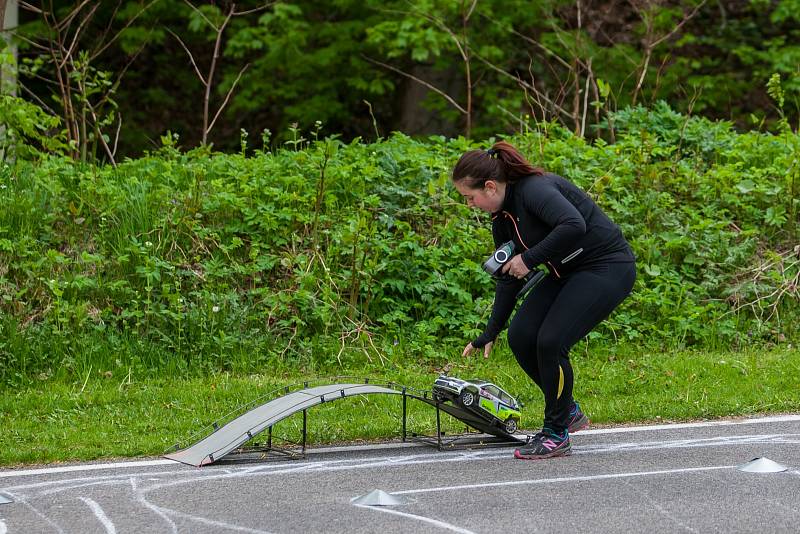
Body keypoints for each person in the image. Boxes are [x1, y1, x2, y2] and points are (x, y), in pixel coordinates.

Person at [452, 140, 636, 460]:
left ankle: (556, 433)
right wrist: (490, 331)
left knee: (550, 341)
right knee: (521, 336)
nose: (470, 204)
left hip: (606, 266)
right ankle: (568, 410)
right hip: (566, 271)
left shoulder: (534, 190)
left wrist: (530, 258)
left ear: (491, 186)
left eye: (470, 197)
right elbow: (508, 277)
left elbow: (573, 224)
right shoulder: (502, 220)